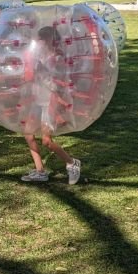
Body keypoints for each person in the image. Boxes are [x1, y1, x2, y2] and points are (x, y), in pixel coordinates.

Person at [20, 26, 81, 184]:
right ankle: (40, 171)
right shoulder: (38, 55)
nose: (39, 42)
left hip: (50, 101)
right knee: (28, 134)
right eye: (38, 39)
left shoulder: (58, 58)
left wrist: (41, 71)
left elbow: (59, 83)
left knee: (46, 140)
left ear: (49, 40)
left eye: (42, 39)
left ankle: (72, 163)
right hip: (37, 99)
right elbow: (30, 77)